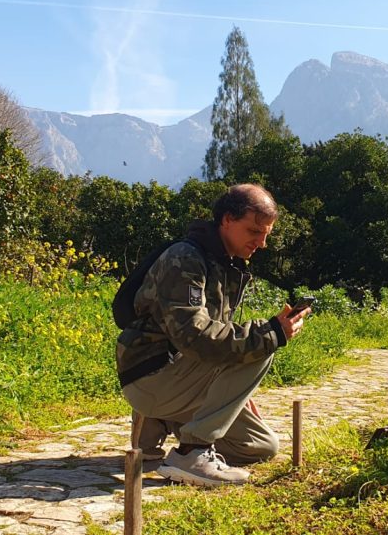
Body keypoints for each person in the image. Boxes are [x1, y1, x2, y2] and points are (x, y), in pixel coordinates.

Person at [115, 183, 310, 487]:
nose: (262, 243)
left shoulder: (226, 263)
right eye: (254, 231)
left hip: (180, 379)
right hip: (150, 376)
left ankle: (168, 420)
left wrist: (235, 394)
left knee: (260, 446)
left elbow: (218, 340)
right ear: (227, 220)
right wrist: (271, 333)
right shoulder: (186, 259)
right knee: (265, 341)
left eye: (266, 234)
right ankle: (192, 453)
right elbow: (196, 337)